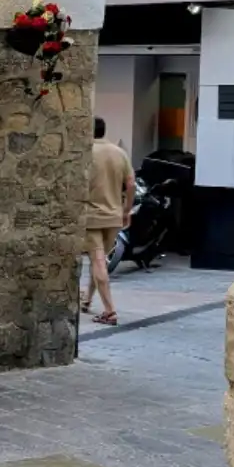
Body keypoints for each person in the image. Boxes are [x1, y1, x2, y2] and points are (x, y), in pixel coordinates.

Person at [82, 117, 135, 326]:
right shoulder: (119, 153)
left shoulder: (86, 153)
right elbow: (130, 184)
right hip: (114, 216)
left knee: (97, 261)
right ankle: (87, 300)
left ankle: (110, 311)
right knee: (100, 260)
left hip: (91, 216)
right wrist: (127, 210)